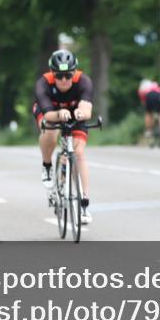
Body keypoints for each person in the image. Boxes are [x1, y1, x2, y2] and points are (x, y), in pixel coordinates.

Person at [33, 50, 95, 224]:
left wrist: (80, 113)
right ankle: (47, 165)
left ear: (74, 72)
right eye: (59, 76)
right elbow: (47, 115)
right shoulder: (43, 83)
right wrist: (59, 113)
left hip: (74, 113)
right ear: (52, 73)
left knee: (78, 153)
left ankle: (84, 204)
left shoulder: (84, 81)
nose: (64, 80)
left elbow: (87, 110)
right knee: (50, 132)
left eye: (68, 75)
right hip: (50, 112)